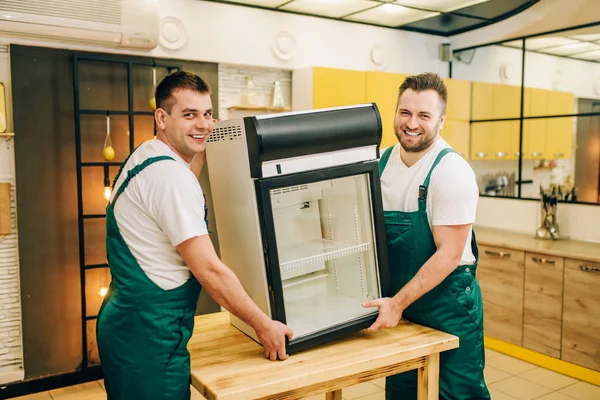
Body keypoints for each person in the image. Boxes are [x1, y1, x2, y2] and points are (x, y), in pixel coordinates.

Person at [97, 71, 293, 400]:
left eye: (207, 114)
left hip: (127, 322)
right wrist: (264, 325)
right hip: (149, 334)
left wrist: (201, 146)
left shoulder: (148, 155)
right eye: (189, 115)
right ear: (162, 117)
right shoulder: (171, 179)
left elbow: (178, 186)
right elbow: (209, 270)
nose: (202, 124)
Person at [362, 72, 490, 399]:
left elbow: (448, 254)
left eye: (424, 115)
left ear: (441, 120)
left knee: (454, 395)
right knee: (403, 394)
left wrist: (397, 303)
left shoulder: (450, 171)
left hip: (447, 308)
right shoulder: (381, 163)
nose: (412, 123)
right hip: (402, 310)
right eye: (405, 112)